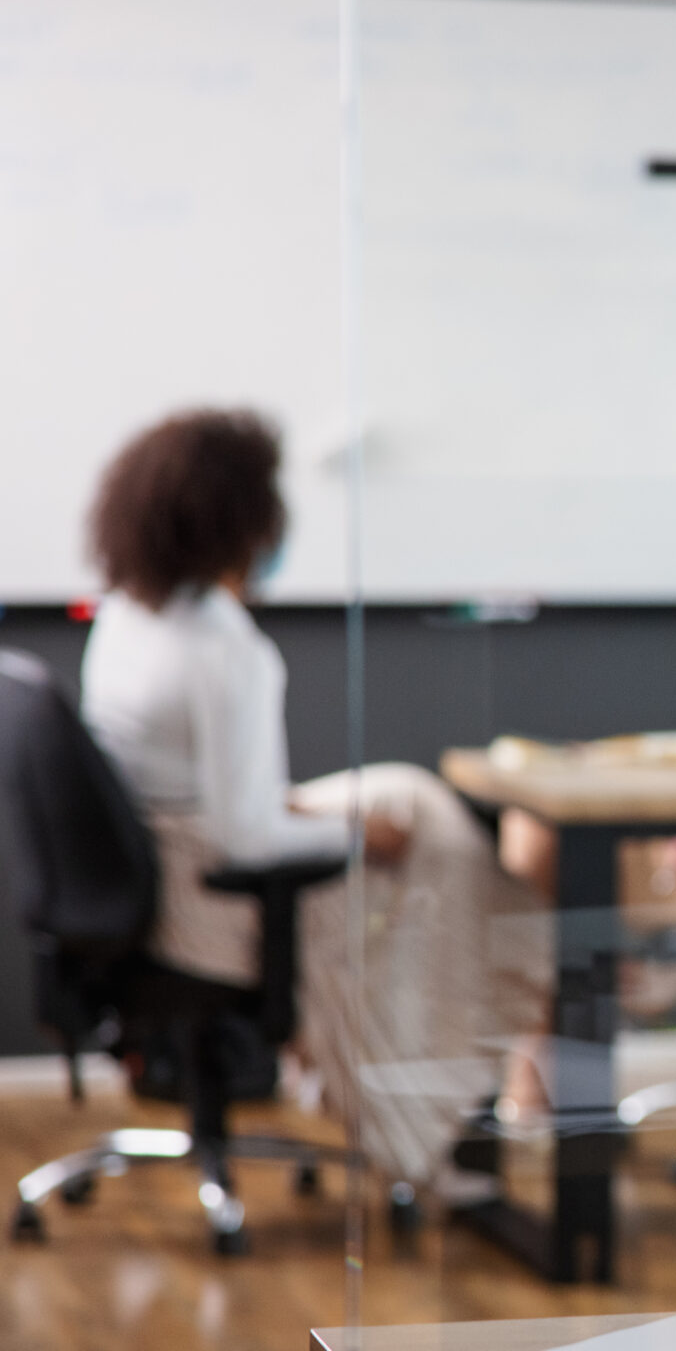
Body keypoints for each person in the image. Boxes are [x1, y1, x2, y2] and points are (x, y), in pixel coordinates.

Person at [78, 408, 547, 1195]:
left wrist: (344, 820)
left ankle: (427, 1095)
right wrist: (361, 839)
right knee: (425, 863)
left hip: (156, 876)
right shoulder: (223, 650)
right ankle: (422, 1128)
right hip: (212, 904)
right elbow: (245, 839)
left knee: (411, 798)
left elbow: (208, 798)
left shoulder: (127, 614)